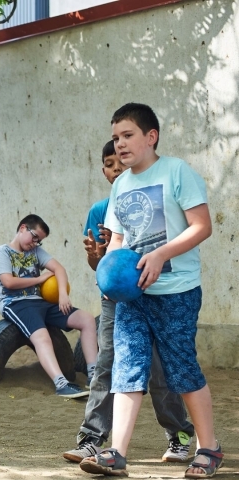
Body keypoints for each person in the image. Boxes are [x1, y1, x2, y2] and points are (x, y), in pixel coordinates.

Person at [80, 103, 221, 479]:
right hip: (132, 297)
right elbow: (119, 243)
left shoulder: (176, 172)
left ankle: (209, 447)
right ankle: (116, 454)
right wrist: (108, 277)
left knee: (181, 370)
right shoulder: (121, 186)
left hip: (176, 291)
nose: (120, 144)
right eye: (115, 138)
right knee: (127, 369)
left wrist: (160, 254)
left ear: (150, 136)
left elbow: (202, 226)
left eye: (127, 135)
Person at [63, 141, 194, 463]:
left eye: (120, 161)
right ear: (105, 171)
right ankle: (92, 438)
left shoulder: (157, 197)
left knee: (162, 370)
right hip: (116, 301)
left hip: (159, 293)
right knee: (106, 366)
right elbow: (105, 266)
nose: (116, 168)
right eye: (109, 163)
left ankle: (179, 436)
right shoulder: (100, 210)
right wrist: (97, 259)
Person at [0, 214, 98, 398]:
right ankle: (61, 384)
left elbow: (59, 269)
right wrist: (40, 278)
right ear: (22, 228)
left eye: (39, 241)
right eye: (34, 237)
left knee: (87, 319)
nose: (35, 243)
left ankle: (94, 376)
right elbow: (8, 282)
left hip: (40, 302)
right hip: (15, 303)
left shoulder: (36, 253)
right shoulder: (3, 252)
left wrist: (63, 295)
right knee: (42, 336)